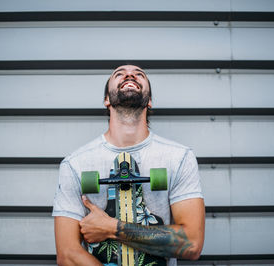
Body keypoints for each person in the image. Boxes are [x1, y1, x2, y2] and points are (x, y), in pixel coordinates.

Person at [53, 65, 205, 265]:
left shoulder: (178, 157)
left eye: (139, 74)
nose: (130, 74)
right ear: (107, 99)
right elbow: (67, 254)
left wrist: (111, 227)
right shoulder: (76, 164)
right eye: (119, 74)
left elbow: (192, 244)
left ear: (149, 101)